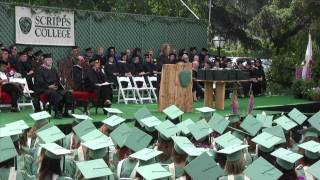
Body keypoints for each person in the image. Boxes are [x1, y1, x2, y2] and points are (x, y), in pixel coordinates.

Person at [34, 54, 73, 118]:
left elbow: (57, 80)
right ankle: (57, 111)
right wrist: (49, 86)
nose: (50, 62)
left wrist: (58, 86)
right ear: (44, 61)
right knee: (54, 94)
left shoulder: (53, 69)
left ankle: (67, 112)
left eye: (51, 60)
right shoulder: (40, 70)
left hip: (54, 88)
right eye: (48, 60)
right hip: (43, 89)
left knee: (67, 93)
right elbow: (39, 82)